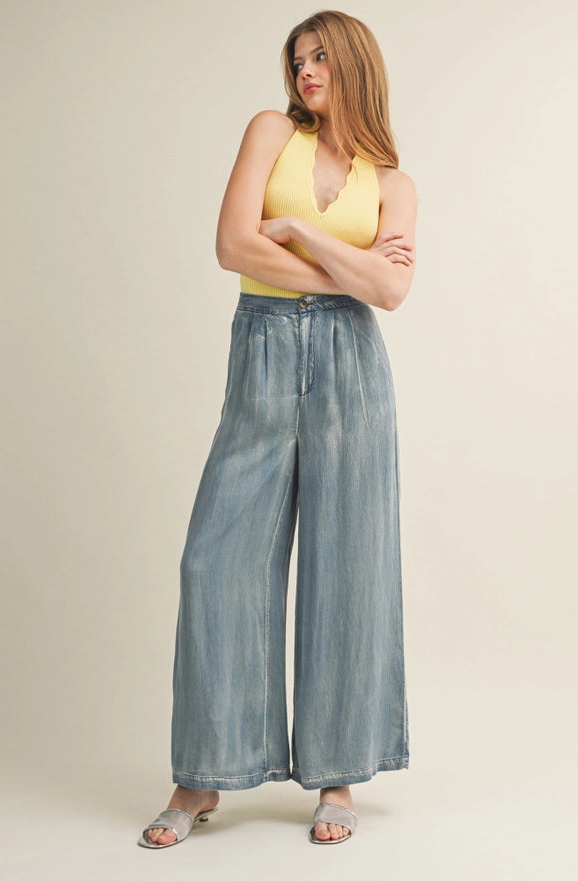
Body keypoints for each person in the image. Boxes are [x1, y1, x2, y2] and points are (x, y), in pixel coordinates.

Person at [138, 9, 417, 848]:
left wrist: (294, 229)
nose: (305, 70)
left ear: (355, 63)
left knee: (348, 566)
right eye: (298, 58)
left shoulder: (392, 181)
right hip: (261, 349)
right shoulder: (270, 133)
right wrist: (347, 264)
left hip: (350, 368)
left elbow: (392, 295)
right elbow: (231, 246)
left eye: (322, 56)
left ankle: (336, 774)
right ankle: (205, 773)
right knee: (216, 559)